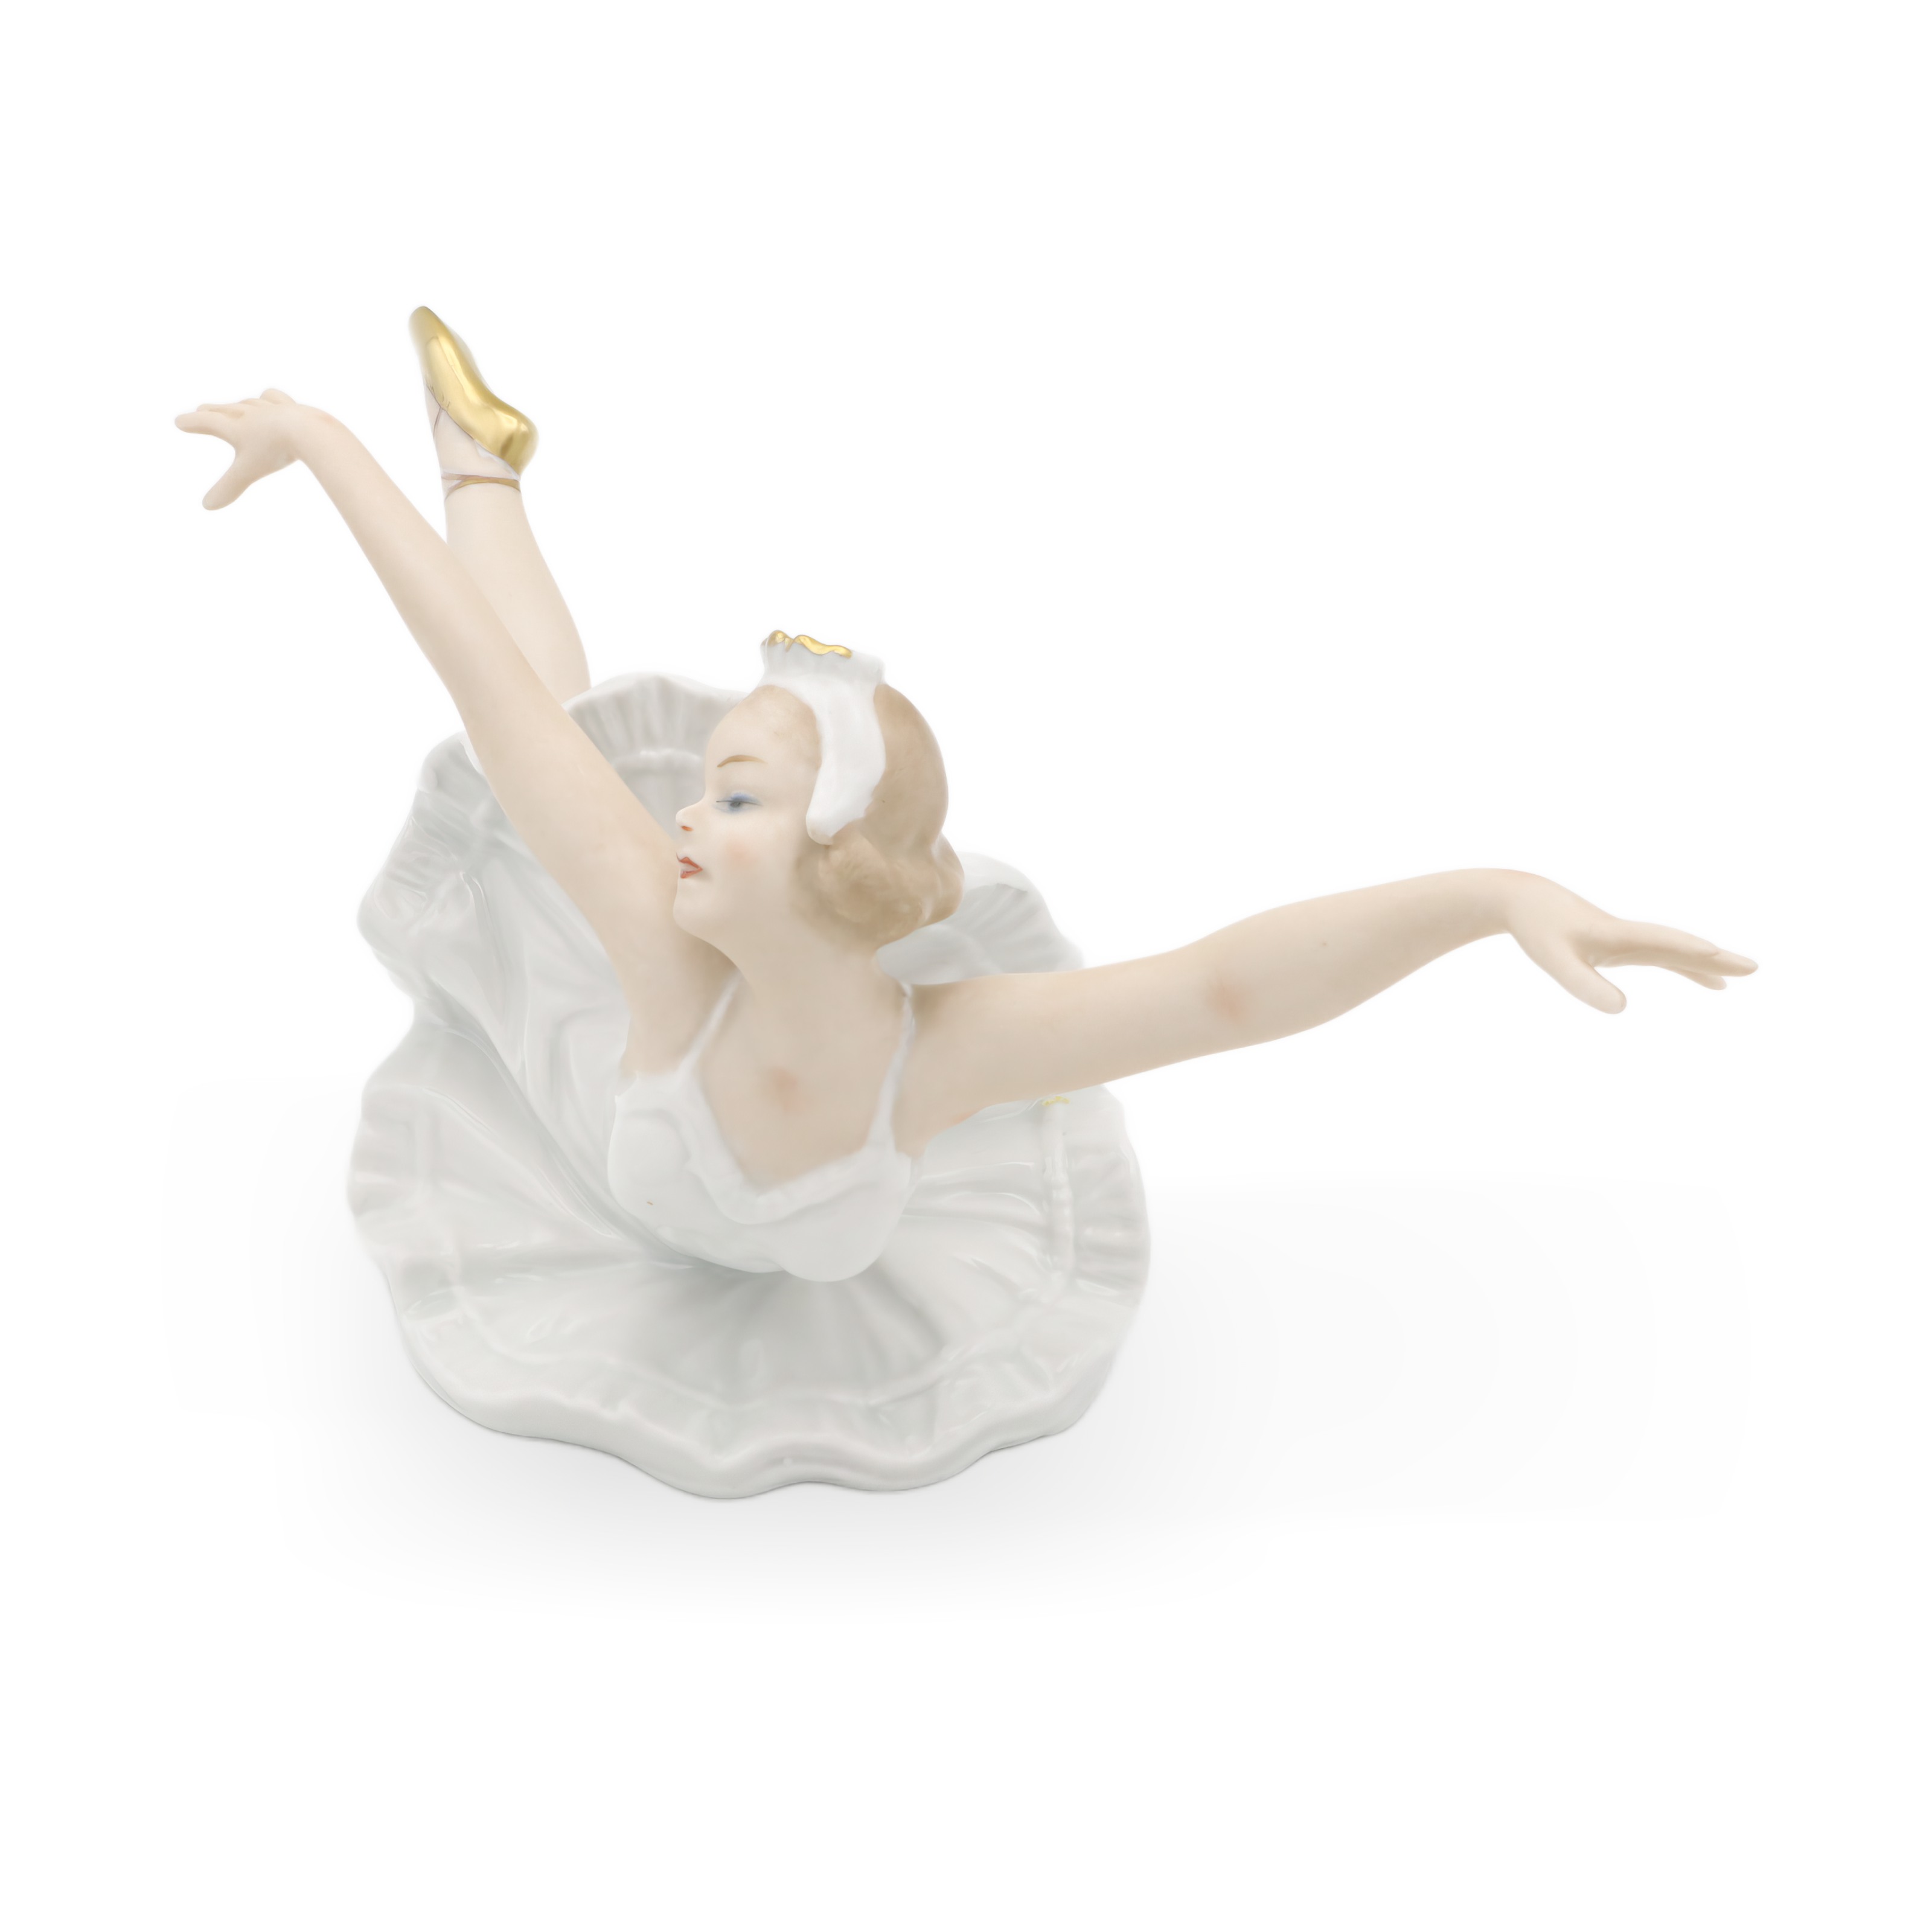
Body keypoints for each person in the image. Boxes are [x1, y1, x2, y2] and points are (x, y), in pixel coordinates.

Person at [175, 311, 1755, 1497]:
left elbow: (1226, 990)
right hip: (575, 1088)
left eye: (736, 798)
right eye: (705, 789)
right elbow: (488, 693)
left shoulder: (947, 1053)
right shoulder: (658, 952)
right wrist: (322, 443)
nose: (685, 814)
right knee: (540, 719)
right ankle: (477, 466)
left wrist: (1492, 898)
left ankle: (484, 465)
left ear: (834, 853)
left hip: (748, 1147)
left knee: (550, 714)